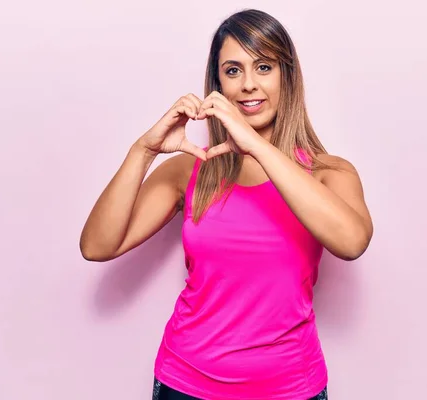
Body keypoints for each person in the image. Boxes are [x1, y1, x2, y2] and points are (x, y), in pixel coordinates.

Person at [80, 8, 373, 400]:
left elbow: (352, 242)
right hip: (185, 384)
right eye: (233, 71)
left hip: (290, 388)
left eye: (264, 67)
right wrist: (143, 150)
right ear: (217, 84)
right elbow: (97, 246)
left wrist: (257, 146)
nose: (249, 85)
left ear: (287, 75)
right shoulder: (192, 170)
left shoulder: (328, 173)